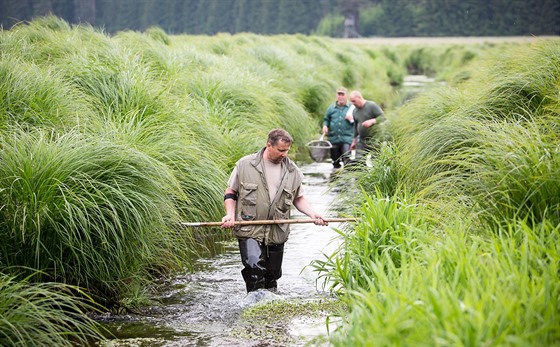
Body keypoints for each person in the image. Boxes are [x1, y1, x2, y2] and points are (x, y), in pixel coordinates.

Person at [221, 129, 328, 293]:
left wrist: (313, 214)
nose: (284, 154)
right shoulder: (245, 165)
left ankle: (270, 307)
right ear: (268, 145)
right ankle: (253, 307)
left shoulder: (293, 171)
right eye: (281, 150)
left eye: (287, 150)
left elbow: (298, 198)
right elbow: (231, 192)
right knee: (254, 269)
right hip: (249, 228)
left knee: (272, 275)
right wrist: (229, 214)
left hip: (277, 229)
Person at [322, 87, 354, 169]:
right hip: (333, 139)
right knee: (335, 161)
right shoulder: (331, 108)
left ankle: (347, 179)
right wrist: (325, 126)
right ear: (336, 96)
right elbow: (326, 119)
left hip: (347, 138)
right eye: (339, 94)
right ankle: (335, 178)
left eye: (342, 94)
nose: (341, 96)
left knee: (347, 158)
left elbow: (358, 121)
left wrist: (352, 119)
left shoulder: (352, 107)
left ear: (346, 96)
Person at [349, 90, 385, 159]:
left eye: (354, 101)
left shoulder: (371, 105)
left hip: (374, 139)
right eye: (351, 101)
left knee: (375, 161)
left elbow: (383, 117)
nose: (352, 103)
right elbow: (355, 127)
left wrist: (372, 121)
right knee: (358, 160)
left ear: (360, 98)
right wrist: (354, 141)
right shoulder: (354, 111)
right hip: (361, 140)